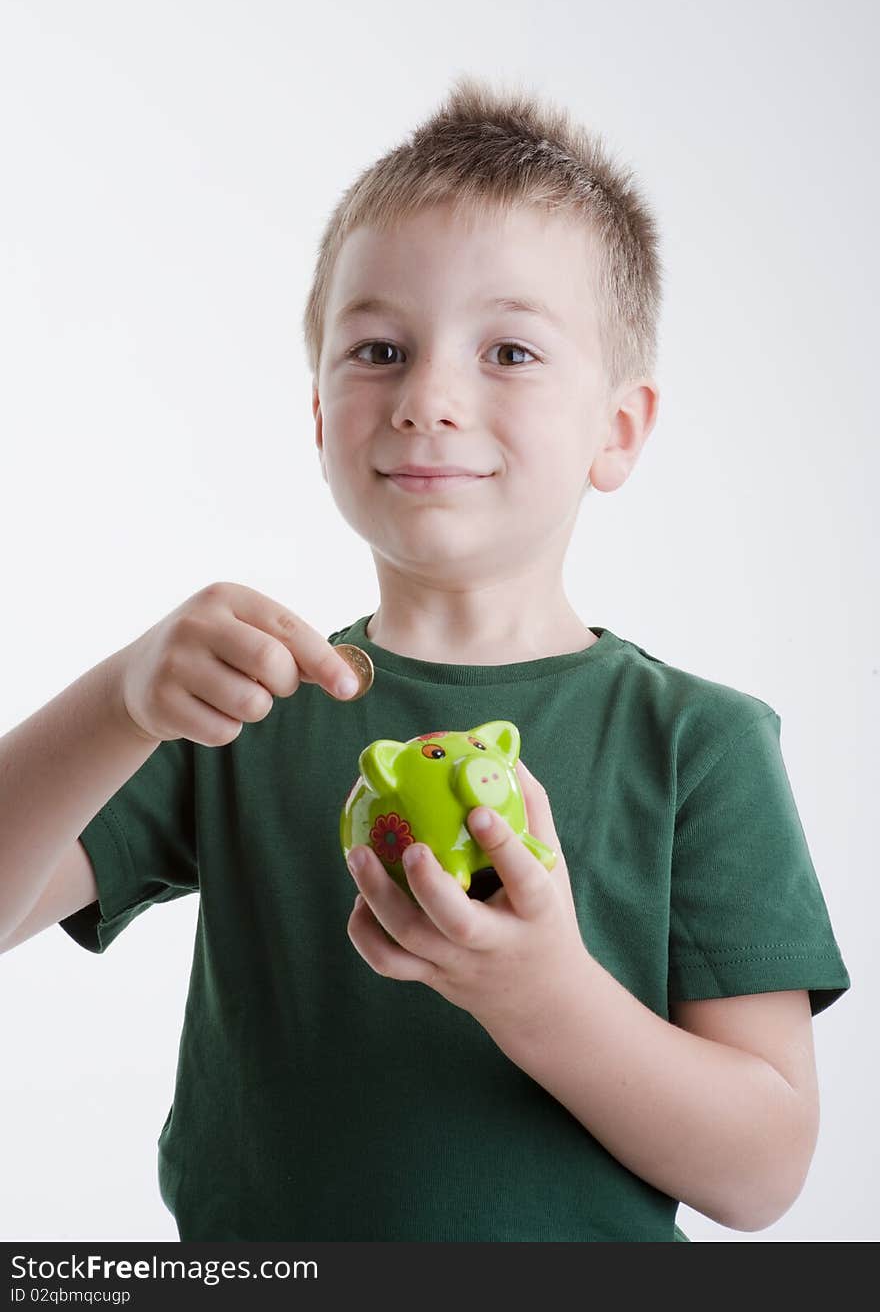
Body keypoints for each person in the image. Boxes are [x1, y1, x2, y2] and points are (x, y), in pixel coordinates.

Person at [0, 74, 850, 1242]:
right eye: (379, 349)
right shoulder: (239, 706)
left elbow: (760, 1175)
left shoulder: (700, 743)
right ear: (315, 415)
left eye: (507, 350)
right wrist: (119, 699)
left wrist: (542, 996)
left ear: (618, 428)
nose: (429, 397)